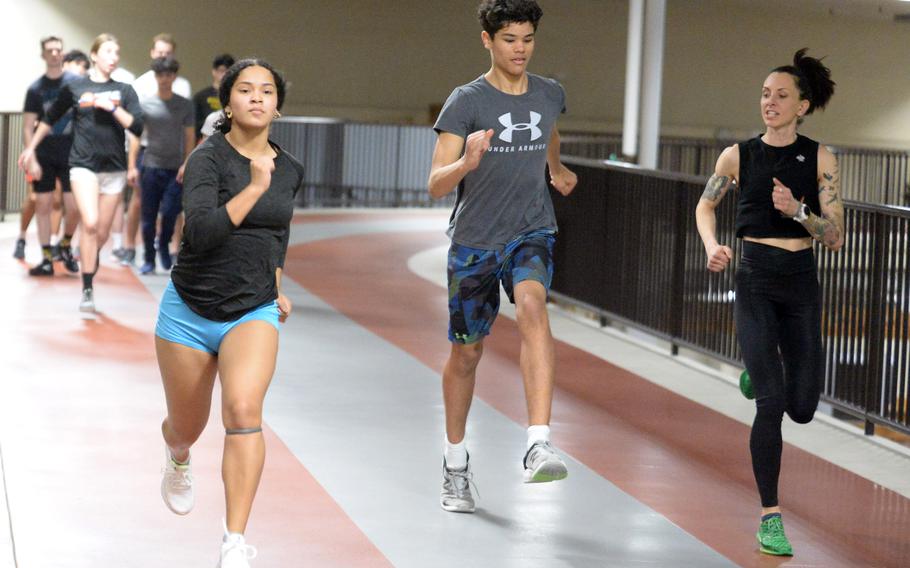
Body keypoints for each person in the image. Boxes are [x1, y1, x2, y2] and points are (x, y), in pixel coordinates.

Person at [427, 0, 578, 514]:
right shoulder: (465, 102)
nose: (520, 49)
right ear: (488, 41)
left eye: (528, 38)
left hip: (530, 230)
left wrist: (555, 169)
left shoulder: (549, 92)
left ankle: (538, 442)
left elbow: (548, 127)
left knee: (533, 308)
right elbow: (433, 183)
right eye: (510, 39)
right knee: (467, 353)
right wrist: (466, 162)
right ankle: (454, 463)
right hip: (474, 242)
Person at [695, 48, 843, 556]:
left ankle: (760, 371)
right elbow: (705, 204)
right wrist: (712, 245)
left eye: (782, 96)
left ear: (802, 106)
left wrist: (799, 211)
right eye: (765, 94)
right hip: (755, 278)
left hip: (801, 281)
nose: (770, 103)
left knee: (802, 407)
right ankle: (771, 517)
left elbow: (836, 236)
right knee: (773, 405)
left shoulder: (821, 158)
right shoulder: (738, 156)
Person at [154, 59, 300, 568]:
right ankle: (176, 456)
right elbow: (201, 233)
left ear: (277, 105)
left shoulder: (292, 168)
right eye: (245, 90)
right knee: (186, 426)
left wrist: (276, 285)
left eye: (267, 91)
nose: (257, 98)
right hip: (189, 311)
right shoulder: (207, 159)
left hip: (252, 309)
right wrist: (255, 186)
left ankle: (234, 540)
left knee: (242, 412)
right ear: (228, 102)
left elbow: (277, 234)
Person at [19, 33, 143, 313]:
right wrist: (31, 149)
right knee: (89, 222)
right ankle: (87, 287)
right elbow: (49, 119)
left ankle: (89, 255)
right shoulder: (76, 88)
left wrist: (112, 107)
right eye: (108, 51)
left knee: (99, 233)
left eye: (117, 52)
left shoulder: (125, 90)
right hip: (83, 165)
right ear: (95, 55)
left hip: (114, 169)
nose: (114, 57)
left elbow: (136, 127)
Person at [118, 33, 193, 265]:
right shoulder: (140, 84)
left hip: (174, 152)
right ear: (152, 53)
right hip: (146, 151)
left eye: (167, 52)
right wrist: (132, 163)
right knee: (140, 201)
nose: (163, 56)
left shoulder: (182, 86)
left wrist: (186, 160)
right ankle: (131, 246)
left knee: (173, 207)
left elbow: (186, 128)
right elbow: (135, 128)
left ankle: (171, 249)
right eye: (159, 52)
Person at [21, 36, 80, 276]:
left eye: (58, 50)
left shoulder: (75, 83)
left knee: (73, 207)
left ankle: (65, 244)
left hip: (72, 153)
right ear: (43, 55)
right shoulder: (36, 89)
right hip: (44, 153)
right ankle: (46, 257)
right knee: (43, 205)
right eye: (50, 50)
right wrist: (31, 155)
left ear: (63, 54)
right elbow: (27, 126)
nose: (55, 53)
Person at [193, 54, 234, 142]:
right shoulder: (200, 97)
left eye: (228, 71)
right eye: (222, 70)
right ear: (214, 71)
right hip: (206, 138)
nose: (225, 74)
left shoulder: (236, 96)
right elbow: (194, 125)